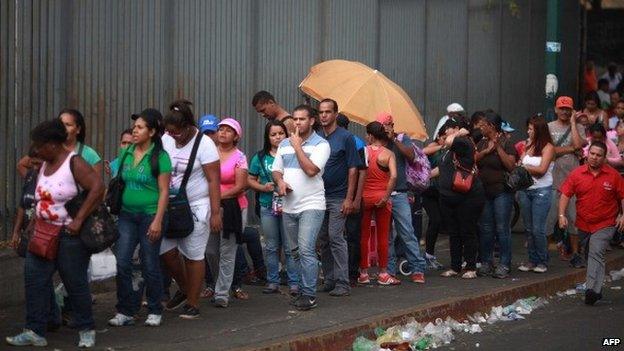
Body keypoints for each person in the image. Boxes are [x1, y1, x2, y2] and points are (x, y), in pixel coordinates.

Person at [6, 119, 104, 348]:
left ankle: (86, 329)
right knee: (35, 281)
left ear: (52, 144)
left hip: (69, 236)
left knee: (74, 282)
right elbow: (40, 197)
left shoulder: (74, 163)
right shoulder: (42, 165)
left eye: (39, 145)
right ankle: (34, 330)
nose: (36, 150)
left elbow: (97, 187)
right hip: (42, 232)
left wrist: (79, 219)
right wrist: (32, 224)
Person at [108, 109, 171, 328]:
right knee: (122, 261)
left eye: (140, 127)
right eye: (134, 127)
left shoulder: (160, 157)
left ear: (152, 132)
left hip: (150, 215)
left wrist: (158, 220)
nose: (135, 131)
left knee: (149, 262)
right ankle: (125, 310)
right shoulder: (127, 153)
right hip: (126, 214)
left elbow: (164, 191)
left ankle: (154, 308)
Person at [159, 100, 222, 319]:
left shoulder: (205, 144)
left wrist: (215, 213)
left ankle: (193, 302)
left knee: (193, 254)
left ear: (187, 127)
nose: (172, 136)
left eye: (176, 133)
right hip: (170, 204)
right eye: (169, 132)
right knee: (166, 251)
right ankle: (186, 288)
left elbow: (214, 180)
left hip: (196, 205)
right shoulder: (166, 138)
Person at [272, 104, 330, 311]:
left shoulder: (321, 144)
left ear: (312, 121)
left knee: (306, 250)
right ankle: (299, 289)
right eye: (295, 119)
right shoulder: (284, 144)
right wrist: (279, 183)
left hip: (312, 204)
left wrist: (297, 146)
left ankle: (309, 294)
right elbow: (276, 170)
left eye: (302, 119)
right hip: (289, 206)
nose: (297, 123)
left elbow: (311, 170)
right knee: (294, 252)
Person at [559, 141, 624, 305]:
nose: (594, 158)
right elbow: (565, 194)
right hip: (584, 224)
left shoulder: (613, 176)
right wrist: (561, 214)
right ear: (588, 154)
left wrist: (623, 215)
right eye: (592, 154)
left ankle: (591, 290)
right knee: (593, 255)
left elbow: (622, 197)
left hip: (606, 223)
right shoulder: (577, 174)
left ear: (604, 158)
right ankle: (598, 290)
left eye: (599, 155)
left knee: (596, 251)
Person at [248, 120, 299, 295]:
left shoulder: (293, 153)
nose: (277, 137)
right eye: (273, 134)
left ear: (286, 134)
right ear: (267, 137)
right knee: (271, 246)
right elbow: (250, 179)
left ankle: (294, 282)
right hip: (267, 206)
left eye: (281, 133)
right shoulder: (260, 157)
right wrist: (263, 188)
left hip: (289, 206)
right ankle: (272, 281)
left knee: (290, 245)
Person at [317, 99, 361, 296]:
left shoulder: (346, 138)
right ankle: (329, 279)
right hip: (318, 197)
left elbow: (354, 169)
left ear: (335, 114)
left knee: (336, 237)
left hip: (338, 197)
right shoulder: (316, 138)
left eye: (328, 112)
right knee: (323, 240)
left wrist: (349, 198)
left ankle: (343, 282)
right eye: (321, 112)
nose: (324, 115)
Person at [377, 112, 427, 283]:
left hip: (400, 193)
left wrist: (394, 139)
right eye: (382, 125)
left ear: (392, 124)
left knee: (407, 231)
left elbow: (411, 156)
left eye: (387, 124)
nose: (385, 128)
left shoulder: (402, 138)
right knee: (386, 235)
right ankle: (390, 270)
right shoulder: (376, 140)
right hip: (382, 193)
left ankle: (417, 268)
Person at [205, 118, 248, 308]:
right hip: (209, 207)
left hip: (233, 208)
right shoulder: (209, 154)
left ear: (236, 136)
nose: (223, 132)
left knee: (228, 251)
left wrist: (218, 195)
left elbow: (240, 186)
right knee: (210, 250)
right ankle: (217, 284)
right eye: (220, 129)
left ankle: (222, 293)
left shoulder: (240, 157)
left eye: (228, 130)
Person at [438, 127, 485, 279]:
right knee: (454, 233)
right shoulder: (447, 151)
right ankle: (455, 266)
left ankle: (471, 266)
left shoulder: (463, 142)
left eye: (447, 132)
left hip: (467, 197)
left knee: (467, 231)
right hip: (449, 197)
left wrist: (457, 133)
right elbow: (442, 169)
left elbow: (450, 141)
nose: (445, 136)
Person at [475, 111, 517, 279]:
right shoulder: (481, 143)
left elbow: (511, 166)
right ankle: (486, 262)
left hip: (502, 192)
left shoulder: (506, 143)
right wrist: (486, 151)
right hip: (485, 191)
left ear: (491, 126)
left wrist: (497, 147)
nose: (481, 128)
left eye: (483, 125)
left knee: (502, 228)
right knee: (486, 228)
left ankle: (504, 263)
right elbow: (474, 159)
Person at [546, 96, 587, 262]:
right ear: (556, 109)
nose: (564, 111)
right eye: (561, 108)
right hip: (553, 180)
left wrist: (572, 124)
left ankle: (575, 254)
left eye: (567, 109)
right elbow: (550, 151)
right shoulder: (548, 127)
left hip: (574, 182)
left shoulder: (578, 127)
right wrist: (571, 149)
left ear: (572, 111)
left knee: (573, 220)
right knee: (549, 220)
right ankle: (545, 253)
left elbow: (579, 144)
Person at [358, 122, 398, 285]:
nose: (366, 137)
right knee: (383, 236)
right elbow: (394, 176)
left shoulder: (363, 152)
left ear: (371, 136)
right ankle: (383, 273)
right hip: (382, 197)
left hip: (365, 197)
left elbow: (357, 173)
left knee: (364, 236)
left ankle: (363, 273)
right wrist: (386, 196)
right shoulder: (388, 153)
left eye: (367, 134)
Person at [517, 115, 555, 273]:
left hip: (542, 190)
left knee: (538, 228)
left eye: (531, 129)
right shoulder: (527, 144)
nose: (528, 131)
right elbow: (519, 163)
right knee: (528, 228)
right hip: (526, 190)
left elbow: (541, 170)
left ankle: (543, 260)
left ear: (539, 130)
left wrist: (524, 168)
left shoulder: (548, 147)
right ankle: (532, 260)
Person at [336, 114, 368, 285]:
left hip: (350, 195)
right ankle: (345, 273)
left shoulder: (355, 143)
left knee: (351, 235)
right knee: (345, 236)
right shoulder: (351, 141)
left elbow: (362, 171)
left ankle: (351, 273)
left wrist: (356, 199)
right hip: (339, 195)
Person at [422, 121, 457, 270]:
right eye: (443, 137)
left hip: (441, 191)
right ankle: (428, 255)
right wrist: (442, 146)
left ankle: (430, 255)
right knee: (435, 220)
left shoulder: (451, 152)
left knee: (438, 222)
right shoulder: (434, 147)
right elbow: (423, 151)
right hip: (429, 191)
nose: (445, 140)